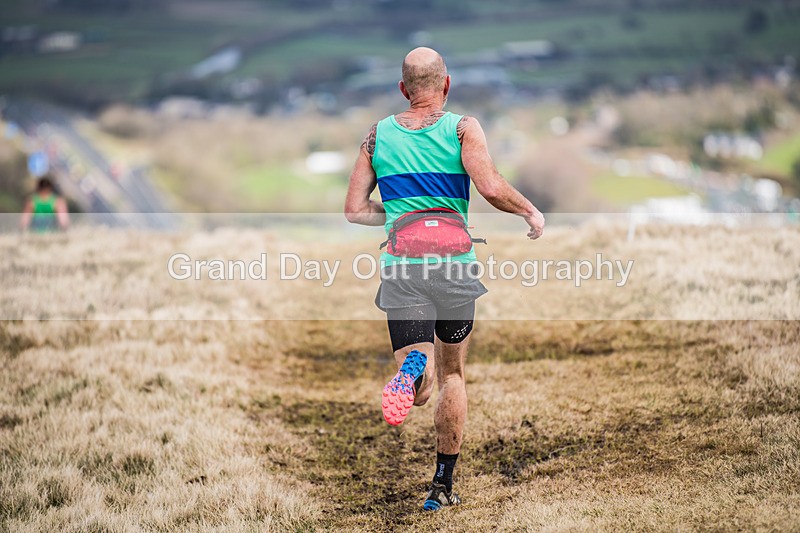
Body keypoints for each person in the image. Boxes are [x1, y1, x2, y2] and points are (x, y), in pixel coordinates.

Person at [345, 47, 544, 511]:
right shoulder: (462, 128)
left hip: (403, 265)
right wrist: (530, 212)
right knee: (453, 374)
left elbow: (354, 211)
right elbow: (491, 187)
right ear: (446, 85)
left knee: (421, 381)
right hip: (454, 262)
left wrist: (398, 213)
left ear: (402, 89)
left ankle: (412, 370)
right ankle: (441, 488)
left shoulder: (377, 135)